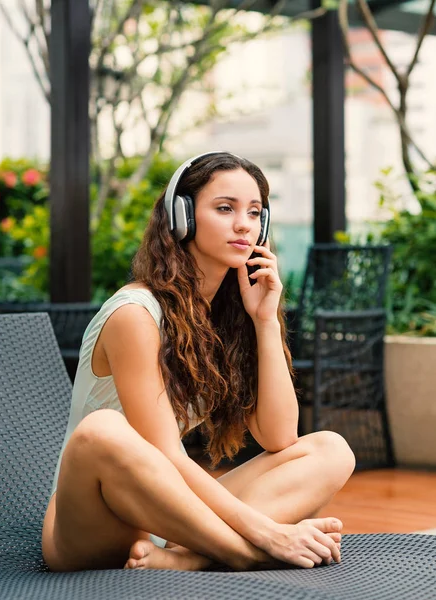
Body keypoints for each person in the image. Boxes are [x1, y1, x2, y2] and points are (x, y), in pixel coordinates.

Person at [41, 152, 355, 573]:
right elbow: (165, 454)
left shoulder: (226, 318)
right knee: (102, 430)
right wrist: (267, 532)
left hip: (172, 520)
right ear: (182, 217)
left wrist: (264, 321)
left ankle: (187, 560)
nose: (244, 223)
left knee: (331, 449)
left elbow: (280, 438)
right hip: (94, 522)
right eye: (225, 208)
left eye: (254, 212)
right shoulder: (135, 314)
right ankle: (245, 553)